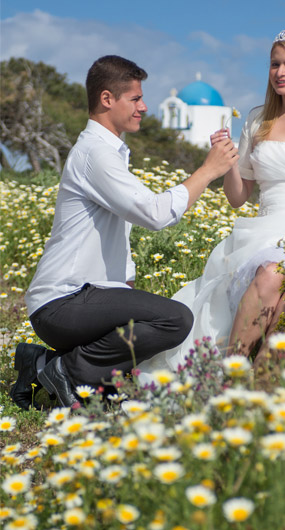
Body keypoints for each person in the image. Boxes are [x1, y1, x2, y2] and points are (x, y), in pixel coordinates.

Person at [10, 55, 239, 409]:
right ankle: (66, 369)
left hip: (78, 299)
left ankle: (40, 363)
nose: (144, 107)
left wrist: (126, 287)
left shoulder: (110, 153)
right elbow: (155, 213)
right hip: (63, 301)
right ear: (107, 99)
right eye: (135, 98)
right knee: (176, 318)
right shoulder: (96, 154)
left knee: (117, 377)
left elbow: (115, 234)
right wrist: (208, 171)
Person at [136, 28, 285, 382]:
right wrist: (227, 163)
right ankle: (232, 371)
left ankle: (262, 377)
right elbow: (237, 197)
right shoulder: (257, 120)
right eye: (275, 64)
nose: (280, 72)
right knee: (271, 272)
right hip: (269, 227)